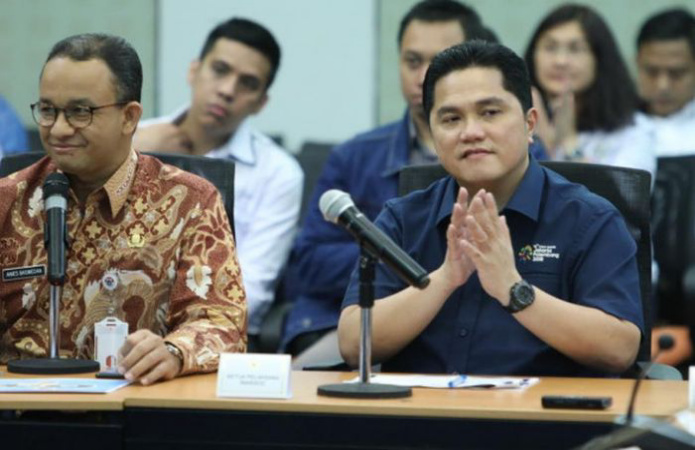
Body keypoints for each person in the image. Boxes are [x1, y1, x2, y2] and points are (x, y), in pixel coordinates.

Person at [338, 40, 643, 377]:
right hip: (421, 407)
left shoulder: (589, 219)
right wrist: (444, 279)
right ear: (433, 134)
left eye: (490, 113)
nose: (471, 132)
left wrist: (513, 289)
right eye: (451, 118)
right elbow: (352, 345)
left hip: (542, 408)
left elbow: (619, 349)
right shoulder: (403, 219)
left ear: (529, 123)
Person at [0, 33, 246, 384]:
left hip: (133, 402)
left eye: (80, 112)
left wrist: (174, 352)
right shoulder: (8, 199)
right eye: (48, 110)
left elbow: (222, 323)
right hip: (17, 405)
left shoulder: (191, 201)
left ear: (129, 117)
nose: (59, 129)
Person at [281, 0, 501, 366]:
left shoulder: (504, 154)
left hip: (476, 325)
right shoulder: (354, 156)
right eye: (412, 61)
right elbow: (309, 262)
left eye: (439, 61)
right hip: (352, 319)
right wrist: (403, 261)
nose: (423, 76)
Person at [135, 18, 302, 346]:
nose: (227, 90)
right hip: (119, 320)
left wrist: (179, 340)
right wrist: (133, 153)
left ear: (261, 102)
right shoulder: (131, 139)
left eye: (248, 83)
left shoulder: (278, 172)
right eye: (220, 70)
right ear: (194, 71)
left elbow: (252, 290)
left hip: (216, 336)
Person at [524, 4, 655, 177]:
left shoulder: (633, 131)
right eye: (550, 47)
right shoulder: (516, 122)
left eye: (575, 49)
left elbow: (623, 194)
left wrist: (569, 142)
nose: (560, 61)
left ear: (599, 59)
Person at [635, 8, 695, 157]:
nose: (663, 86)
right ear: (637, 63)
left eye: (676, 73)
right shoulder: (612, 127)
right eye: (651, 72)